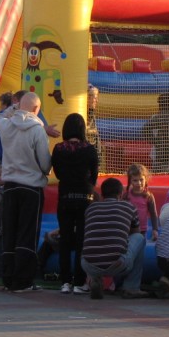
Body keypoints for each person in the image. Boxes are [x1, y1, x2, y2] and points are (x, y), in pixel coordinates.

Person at [0, 91, 51, 292]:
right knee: (27, 233)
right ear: (36, 109)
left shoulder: (6, 125)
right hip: (31, 187)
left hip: (10, 186)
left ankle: (8, 278)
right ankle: (24, 280)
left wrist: (14, 108)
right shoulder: (37, 130)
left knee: (9, 231)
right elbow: (45, 163)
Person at [51, 112, 99, 294]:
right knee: (82, 240)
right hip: (85, 197)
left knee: (65, 239)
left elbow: (57, 173)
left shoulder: (59, 149)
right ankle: (79, 282)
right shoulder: (89, 149)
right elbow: (94, 174)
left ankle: (65, 281)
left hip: (65, 197)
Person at [81, 177, 149, 300]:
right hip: (117, 265)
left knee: (97, 238)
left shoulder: (91, 208)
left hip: (88, 264)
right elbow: (135, 233)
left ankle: (95, 280)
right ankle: (131, 287)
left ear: (102, 194)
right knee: (140, 238)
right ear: (121, 194)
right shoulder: (129, 207)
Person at [121, 163, 159, 241]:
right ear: (130, 181)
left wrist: (155, 229)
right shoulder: (126, 196)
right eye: (135, 180)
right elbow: (122, 212)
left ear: (145, 179)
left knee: (140, 244)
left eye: (141, 180)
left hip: (142, 229)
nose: (139, 183)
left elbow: (153, 214)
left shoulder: (148, 196)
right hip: (129, 228)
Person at [85, 85, 101, 158]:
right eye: (95, 98)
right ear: (87, 98)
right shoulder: (83, 114)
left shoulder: (91, 114)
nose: (96, 101)